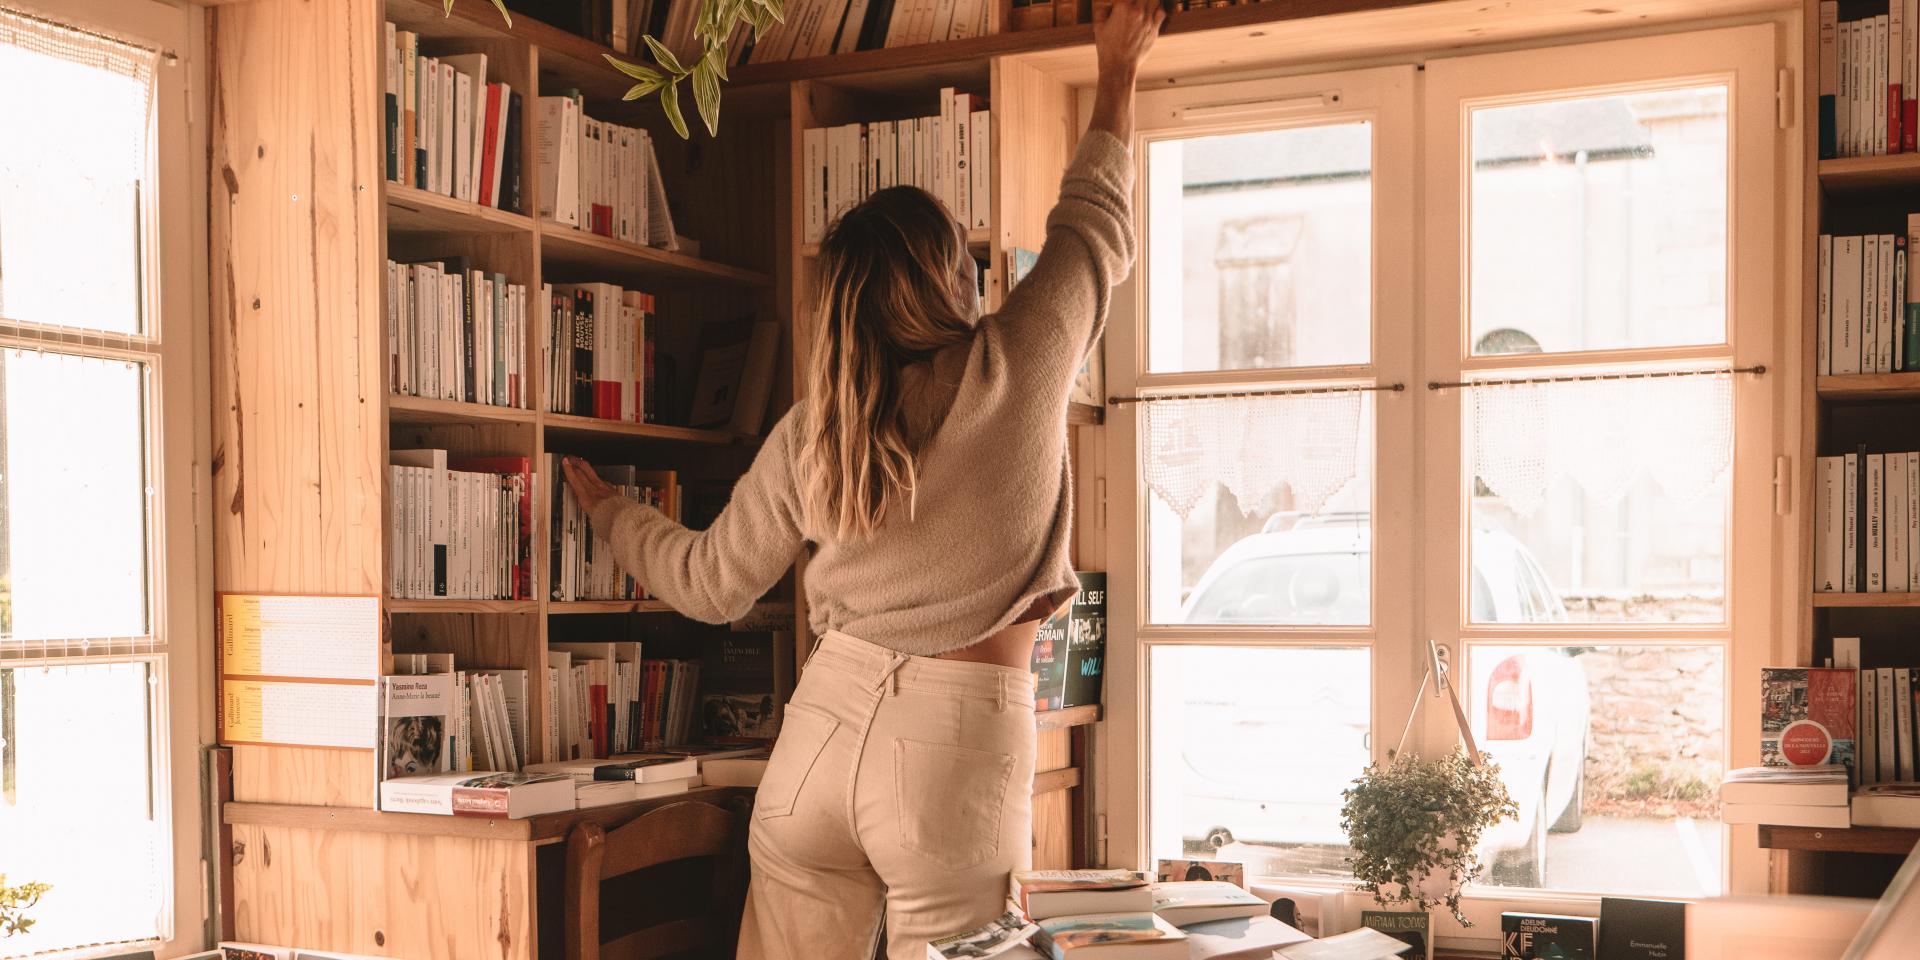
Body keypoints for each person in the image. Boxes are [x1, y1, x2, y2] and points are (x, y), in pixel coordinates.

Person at [558, 1, 1162, 954]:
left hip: (817, 739)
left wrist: (612, 513)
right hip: (953, 755)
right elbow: (1093, 224)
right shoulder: (1016, 368)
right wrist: (1119, 68)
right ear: (951, 280)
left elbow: (710, 583)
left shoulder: (817, 431)